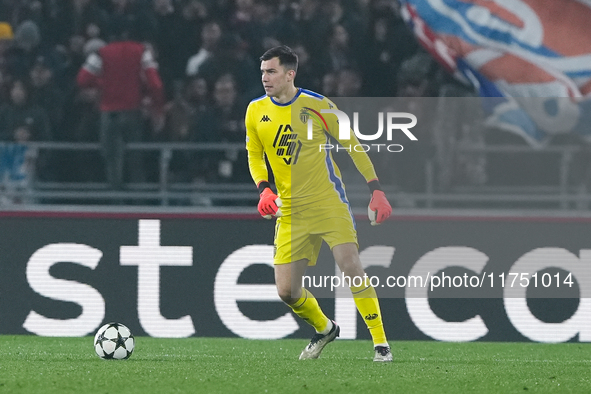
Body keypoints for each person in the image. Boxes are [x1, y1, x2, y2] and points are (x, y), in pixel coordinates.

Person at [245, 45, 393, 362]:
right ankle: (325, 328)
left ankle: (380, 343)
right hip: (290, 209)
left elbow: (353, 145)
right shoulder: (255, 110)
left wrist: (375, 190)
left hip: (327, 202)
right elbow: (255, 155)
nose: (265, 78)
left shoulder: (317, 105)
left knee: (350, 265)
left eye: (271, 71)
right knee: (287, 291)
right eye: (262, 72)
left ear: (289, 73)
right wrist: (264, 190)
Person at [76, 20, 164, 191]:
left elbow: (82, 79)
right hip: (133, 112)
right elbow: (155, 84)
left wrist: (102, 85)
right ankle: (139, 208)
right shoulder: (142, 52)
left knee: (113, 164)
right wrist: (157, 108)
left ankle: (116, 208)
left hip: (109, 113)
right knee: (136, 162)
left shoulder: (102, 53)